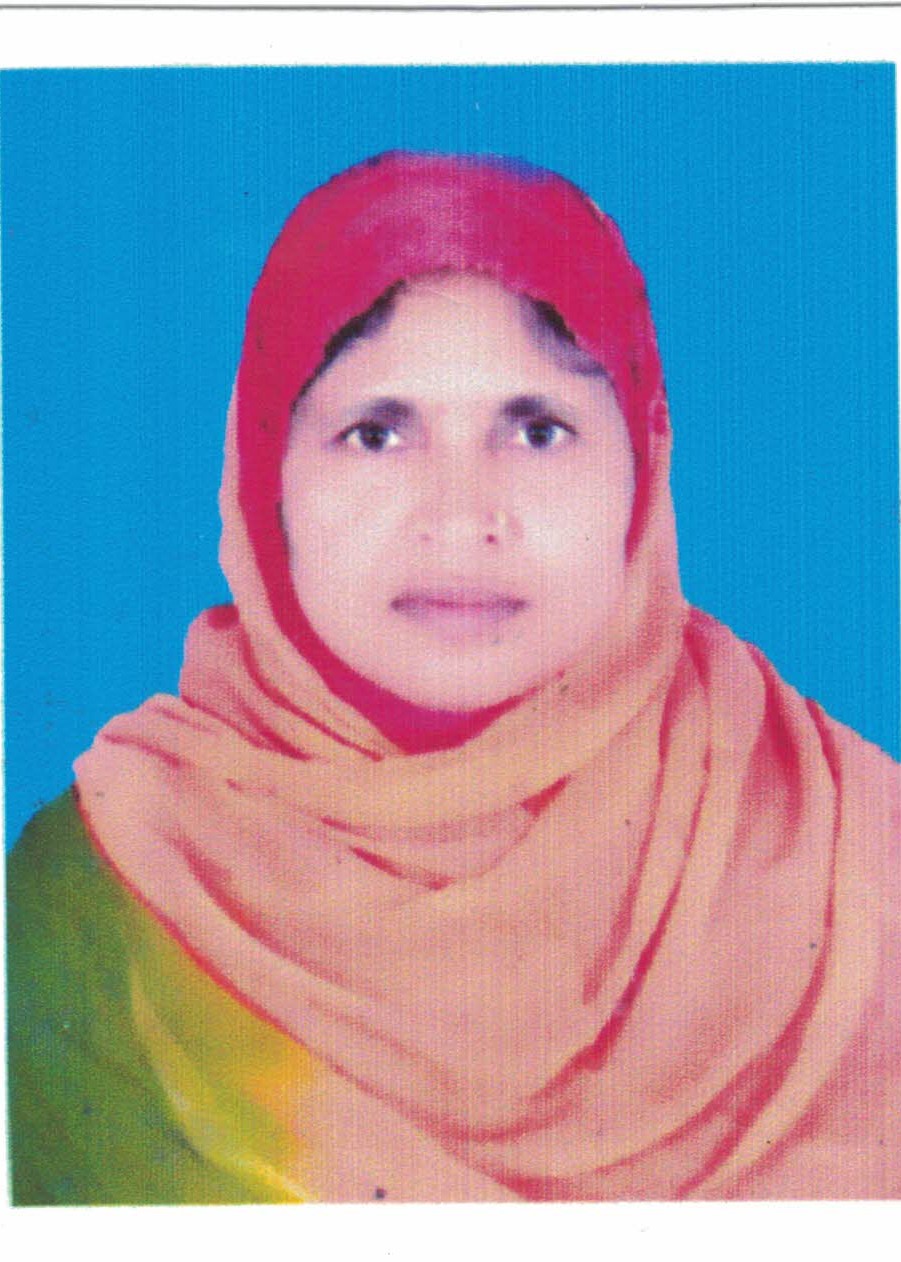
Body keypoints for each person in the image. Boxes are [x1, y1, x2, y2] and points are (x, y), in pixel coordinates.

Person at [7, 151, 900, 1204]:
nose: (462, 515)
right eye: (376, 433)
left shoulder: (854, 858)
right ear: (264, 476)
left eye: (537, 430)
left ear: (644, 463)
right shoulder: (102, 891)